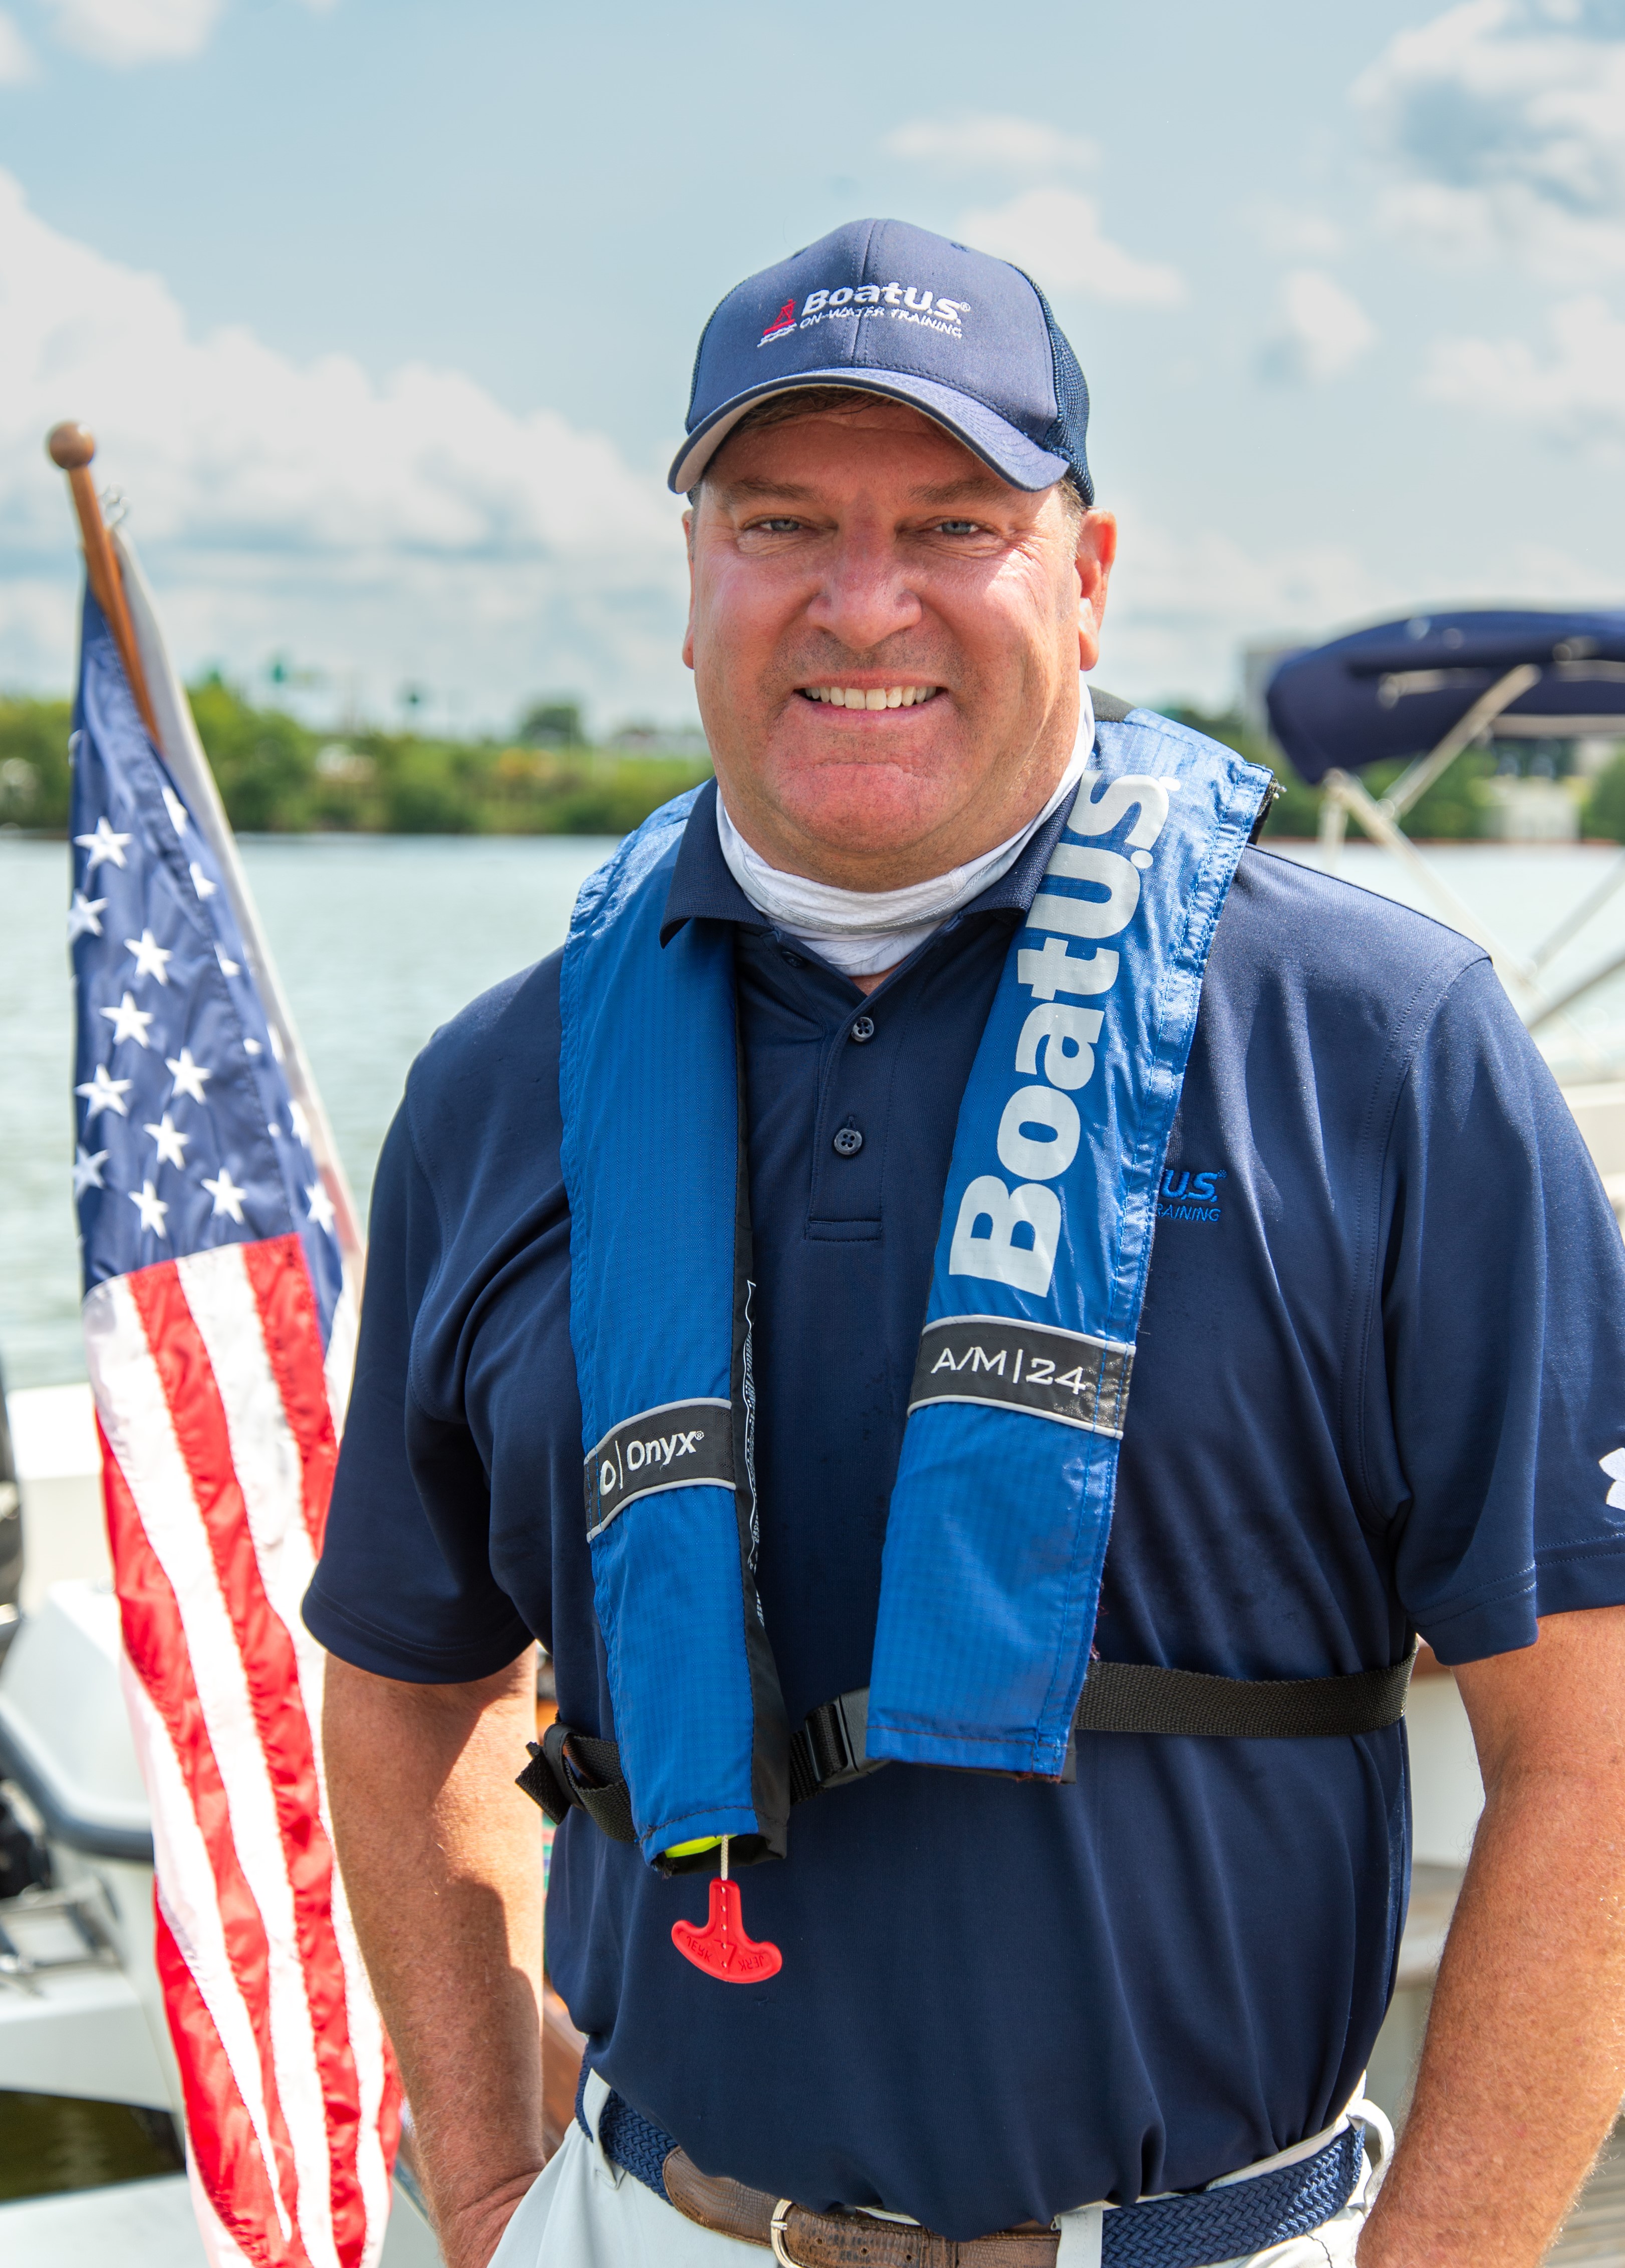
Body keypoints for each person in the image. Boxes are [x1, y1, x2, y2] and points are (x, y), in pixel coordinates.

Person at [304, 219, 1625, 2268]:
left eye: (950, 523)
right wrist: (487, 2185)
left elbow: (1596, 1746)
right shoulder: (500, 1089)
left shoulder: (1381, 1048)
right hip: (641, 2223)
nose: (861, 601)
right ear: (691, 585)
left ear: (1085, 579)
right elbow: (406, 1686)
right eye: (779, 524)